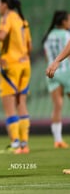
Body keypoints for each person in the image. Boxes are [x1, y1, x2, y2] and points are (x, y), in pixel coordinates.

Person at [0, 0, 32, 154]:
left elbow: (2, 35)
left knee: (10, 107)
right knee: (21, 104)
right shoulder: (22, 19)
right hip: (25, 64)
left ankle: (15, 144)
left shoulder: (7, 17)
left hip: (10, 65)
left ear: (4, 5)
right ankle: (24, 144)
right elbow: (29, 47)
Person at [43, 10, 70, 148]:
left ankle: (57, 139)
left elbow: (48, 57)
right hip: (67, 71)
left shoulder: (48, 36)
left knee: (57, 106)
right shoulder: (67, 35)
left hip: (52, 72)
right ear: (64, 21)